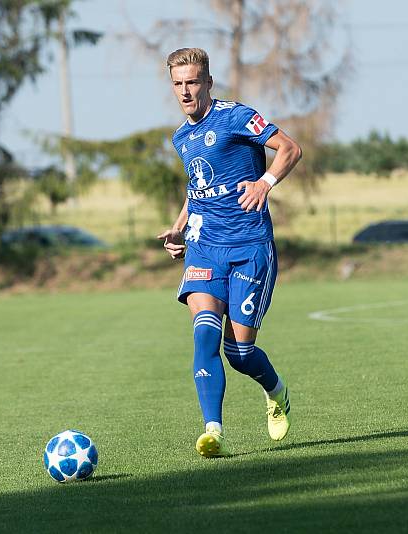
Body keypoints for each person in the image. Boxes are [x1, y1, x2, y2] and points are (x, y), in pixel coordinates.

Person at [157, 48, 302, 456]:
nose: (186, 91)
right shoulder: (180, 137)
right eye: (178, 84)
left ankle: (276, 392)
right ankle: (213, 431)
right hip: (204, 250)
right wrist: (179, 226)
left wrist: (265, 183)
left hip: (250, 246)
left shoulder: (237, 117)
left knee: (238, 352)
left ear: (208, 82)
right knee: (204, 336)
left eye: (193, 82)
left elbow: (290, 148)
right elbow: (197, 188)